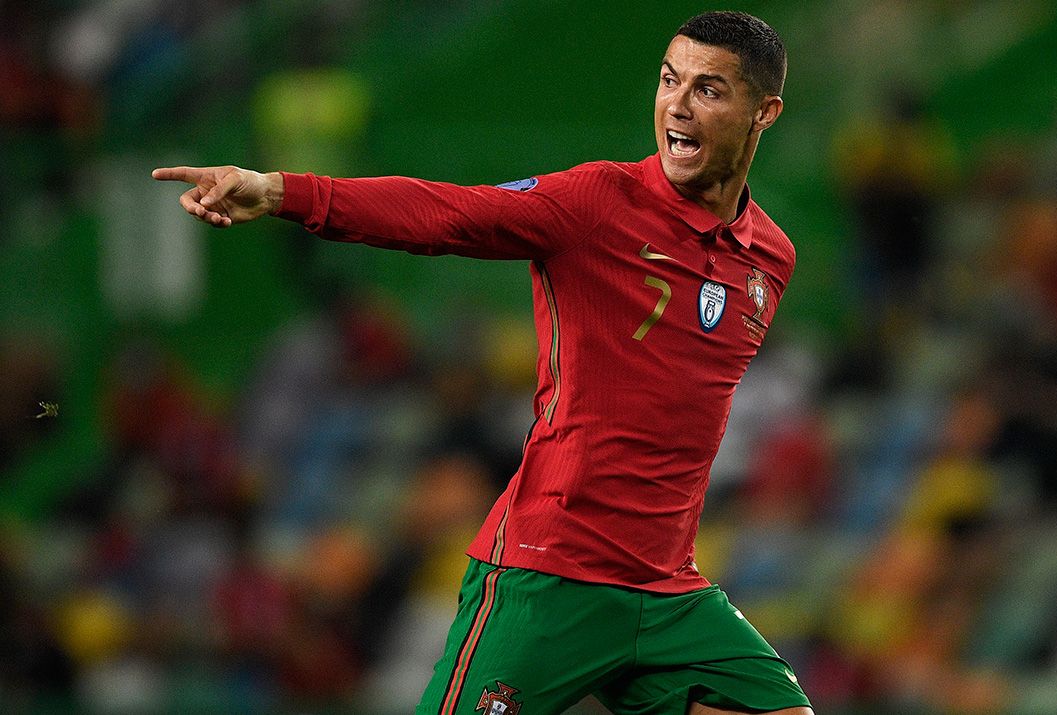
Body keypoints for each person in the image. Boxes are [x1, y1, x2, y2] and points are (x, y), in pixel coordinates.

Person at [154, 11, 812, 715]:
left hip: (667, 589)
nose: (677, 104)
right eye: (668, 80)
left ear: (763, 113)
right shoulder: (597, 203)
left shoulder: (770, 258)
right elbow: (448, 214)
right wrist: (285, 191)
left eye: (708, 89)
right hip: (548, 574)